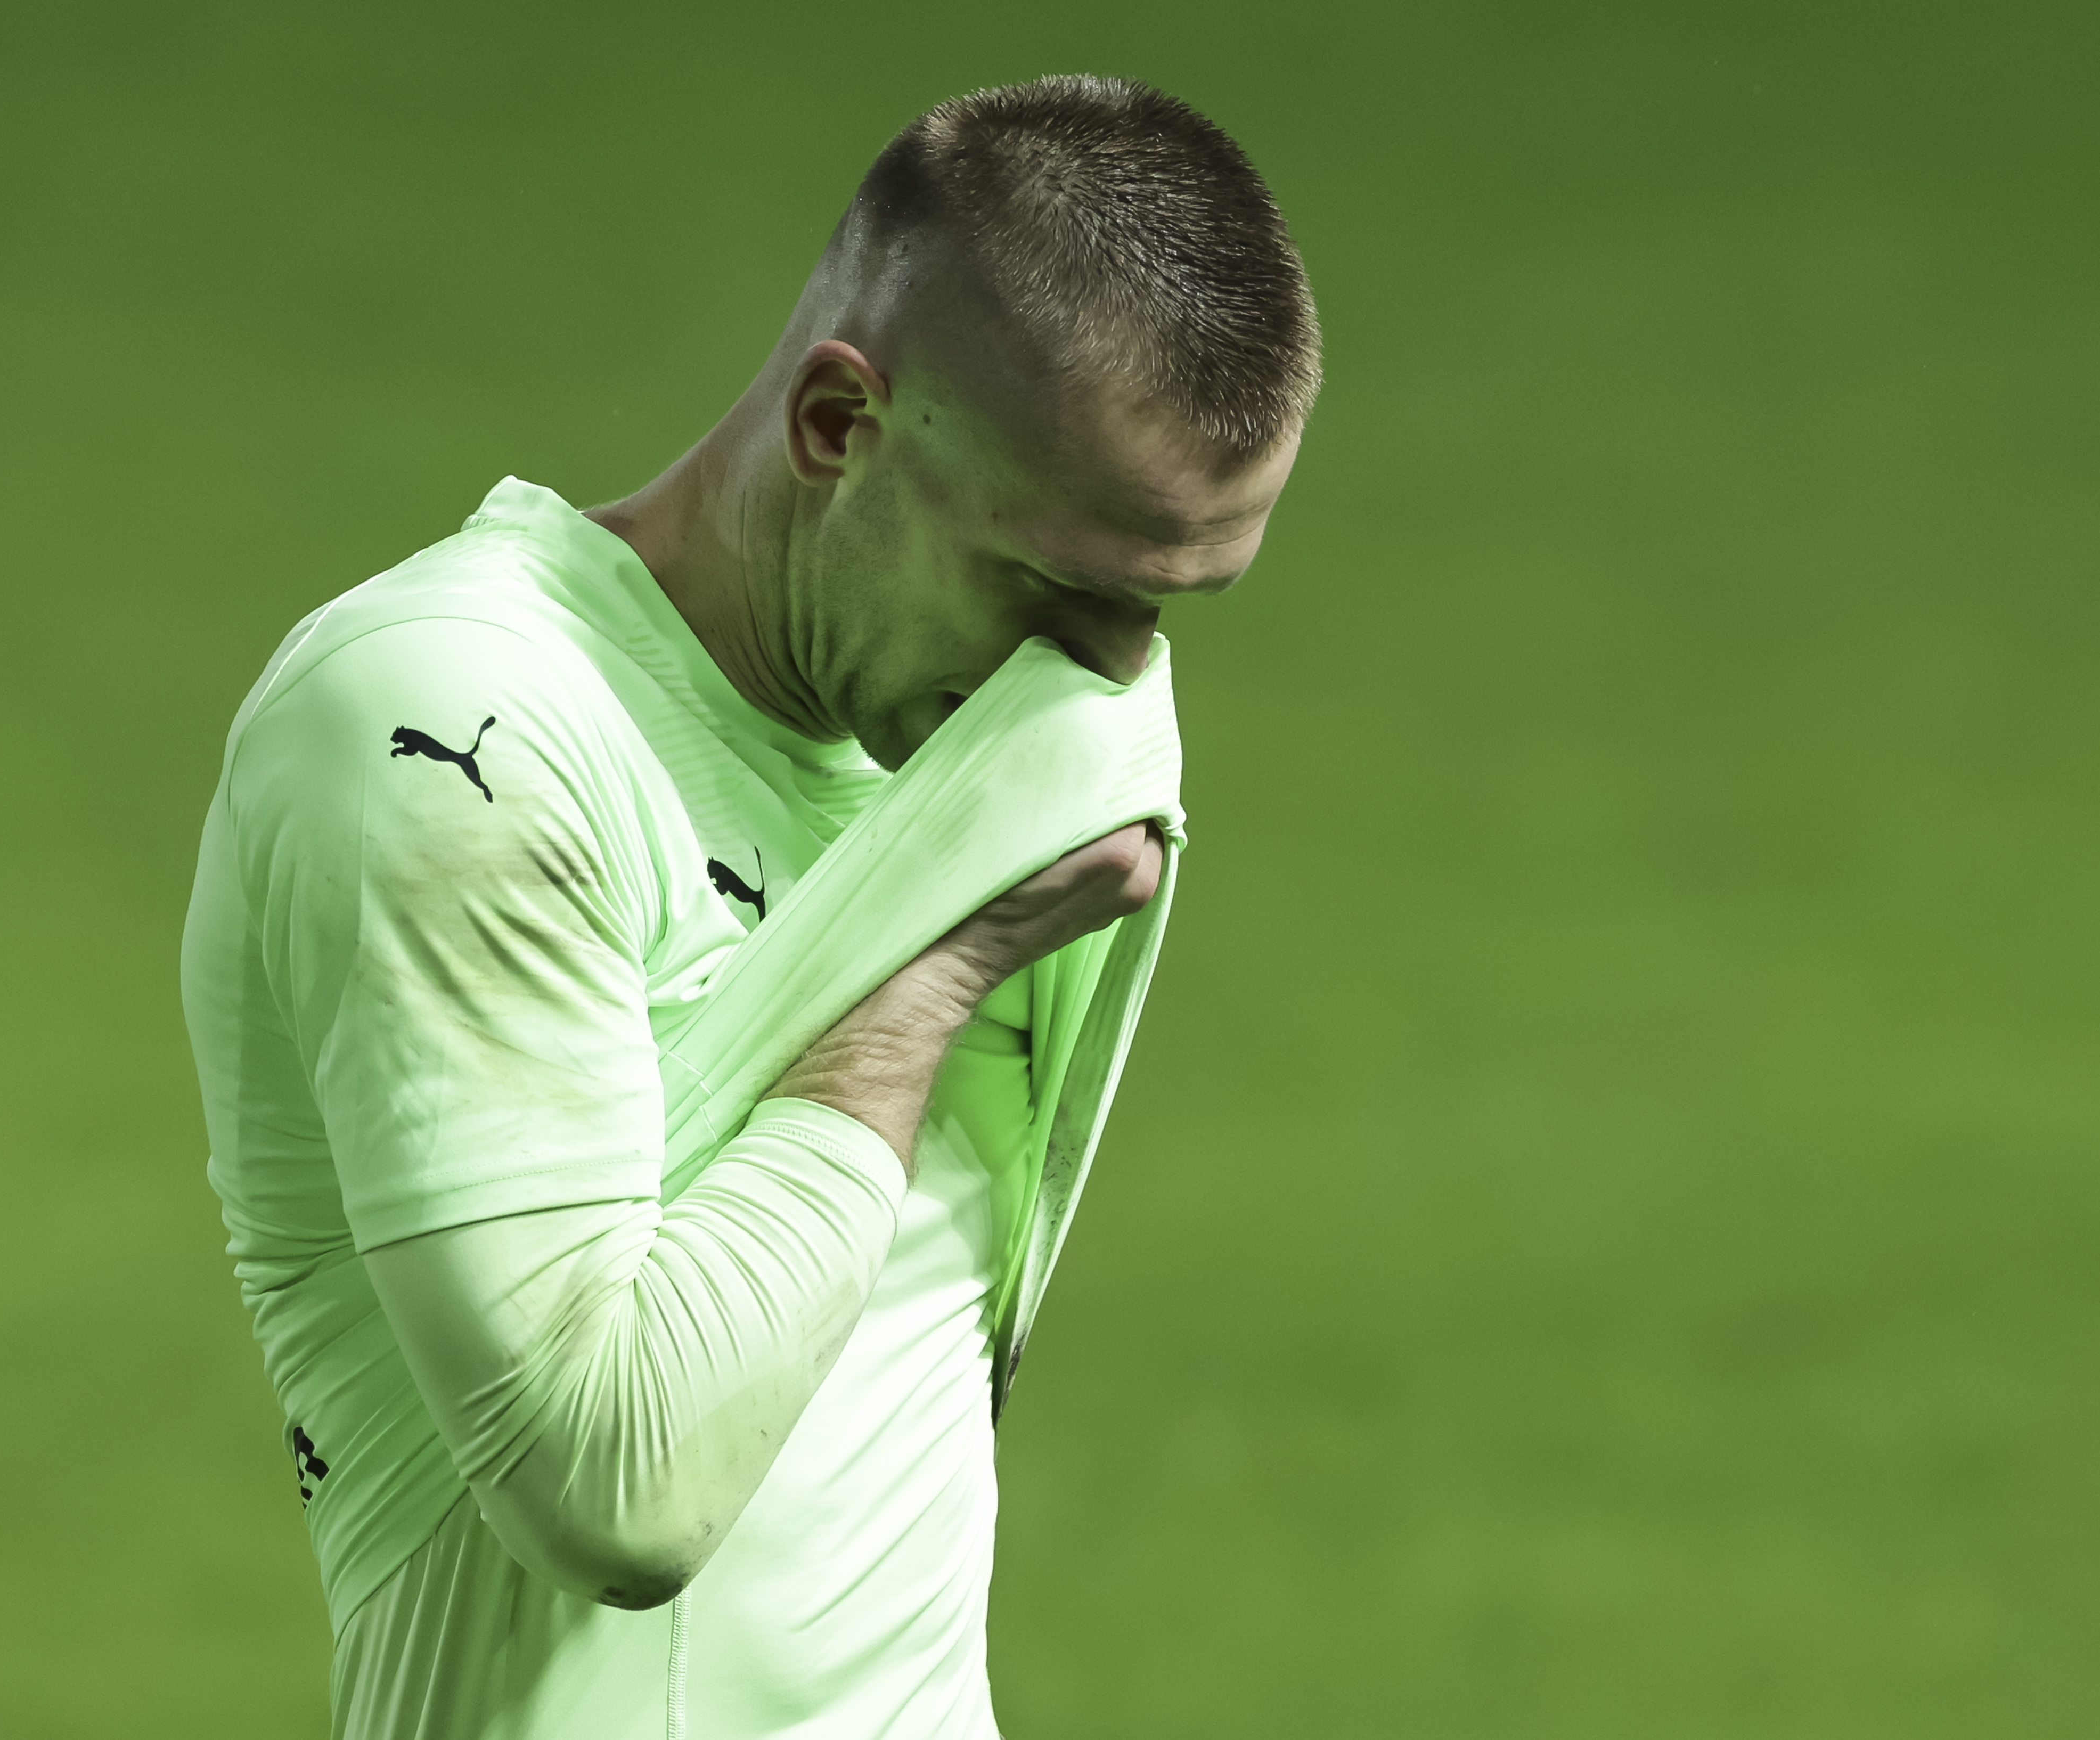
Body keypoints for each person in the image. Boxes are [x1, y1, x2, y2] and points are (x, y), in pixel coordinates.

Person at [179, 75, 1319, 1739]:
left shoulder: (997, 729)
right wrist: (928, 982)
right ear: (839, 426)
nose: (1104, 686)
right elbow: (614, 1489)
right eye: (1061, 592)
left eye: (1170, 610)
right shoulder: (460, 733)